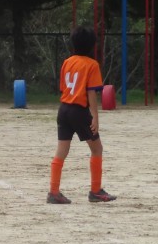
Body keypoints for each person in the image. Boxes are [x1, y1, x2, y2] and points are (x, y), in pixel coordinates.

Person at [48, 26, 116, 204]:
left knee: (61, 151)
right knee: (97, 149)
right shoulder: (92, 65)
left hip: (64, 109)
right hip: (78, 111)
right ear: (92, 45)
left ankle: (53, 192)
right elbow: (91, 93)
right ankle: (95, 191)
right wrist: (95, 117)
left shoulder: (67, 62)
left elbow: (64, 88)